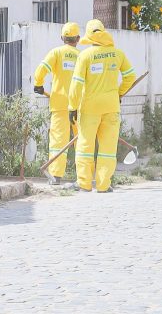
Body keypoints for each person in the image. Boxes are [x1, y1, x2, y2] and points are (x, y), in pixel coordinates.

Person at [68, 19, 137, 193]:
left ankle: (84, 183)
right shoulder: (118, 54)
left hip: (90, 108)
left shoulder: (85, 56)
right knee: (108, 148)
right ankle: (103, 185)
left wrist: (72, 107)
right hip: (111, 107)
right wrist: (119, 93)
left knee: (85, 146)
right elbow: (130, 77)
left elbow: (76, 84)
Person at [33, 21, 82, 185]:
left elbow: (41, 70)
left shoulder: (56, 53)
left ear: (62, 38)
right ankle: (84, 177)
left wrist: (38, 84)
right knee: (82, 140)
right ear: (78, 39)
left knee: (58, 141)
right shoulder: (82, 56)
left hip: (60, 103)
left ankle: (55, 176)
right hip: (79, 105)